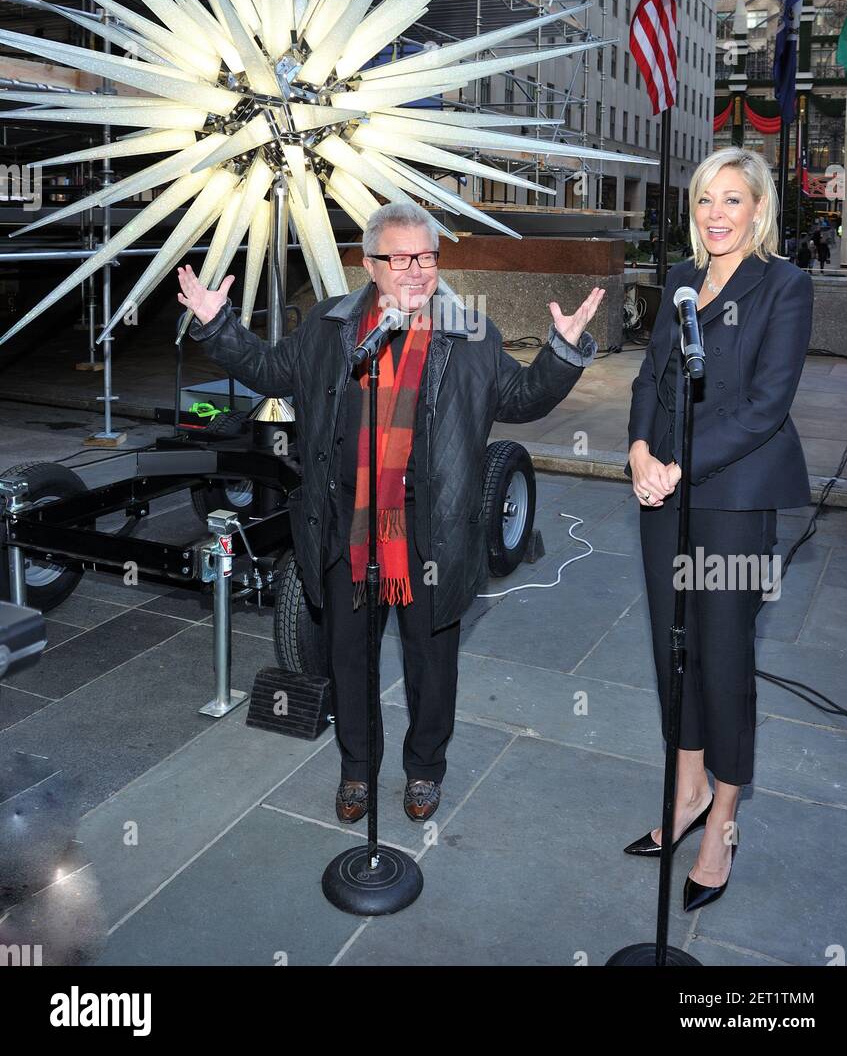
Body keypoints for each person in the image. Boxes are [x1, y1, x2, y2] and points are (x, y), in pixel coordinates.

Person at [179, 201, 604, 824]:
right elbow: (272, 373)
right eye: (402, 259)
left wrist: (562, 352)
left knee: (432, 663)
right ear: (370, 265)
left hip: (432, 530)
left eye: (428, 258)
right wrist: (219, 327)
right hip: (345, 524)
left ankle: (425, 769)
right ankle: (357, 769)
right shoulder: (330, 326)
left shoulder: (468, 332)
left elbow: (521, 399)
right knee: (348, 658)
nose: (418, 272)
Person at [623, 147, 812, 913]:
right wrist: (638, 449)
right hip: (661, 493)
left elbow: (765, 407)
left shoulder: (785, 287)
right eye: (705, 200)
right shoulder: (677, 282)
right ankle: (688, 785)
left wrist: (678, 465)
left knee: (724, 655)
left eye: (731, 200)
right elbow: (647, 381)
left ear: (757, 211)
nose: (715, 214)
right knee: (676, 649)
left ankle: (722, 819)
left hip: (732, 498)